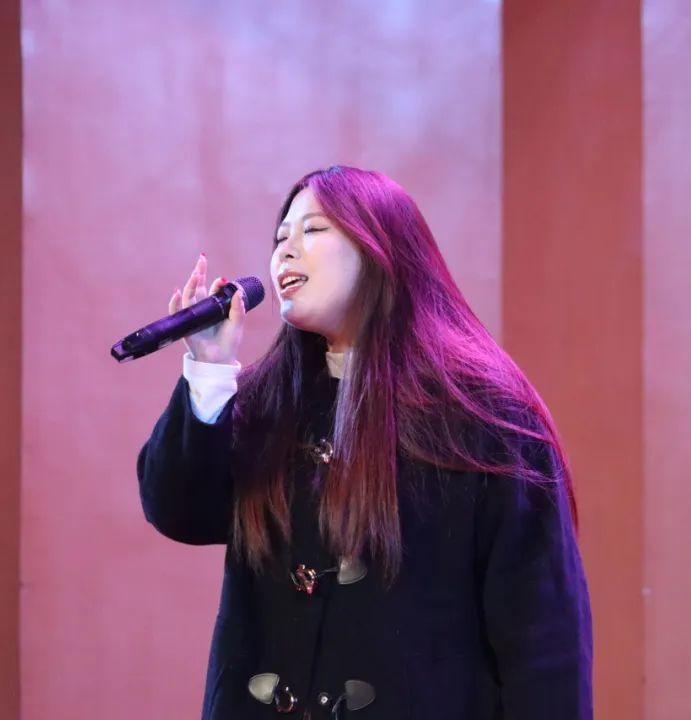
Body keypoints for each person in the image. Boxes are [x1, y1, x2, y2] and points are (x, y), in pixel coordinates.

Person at [137, 165, 592, 719]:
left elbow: (541, 632)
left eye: (313, 230)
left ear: (379, 249)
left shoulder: (482, 415)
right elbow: (181, 512)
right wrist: (209, 370)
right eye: (280, 237)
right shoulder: (262, 405)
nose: (285, 251)